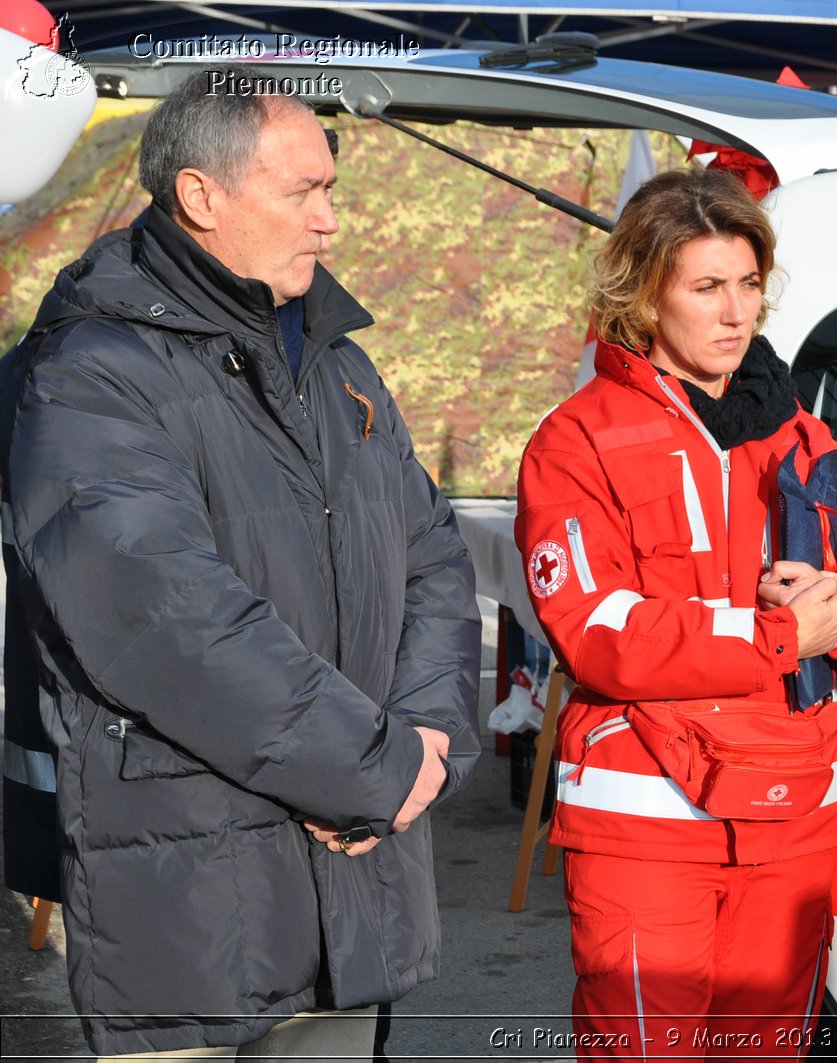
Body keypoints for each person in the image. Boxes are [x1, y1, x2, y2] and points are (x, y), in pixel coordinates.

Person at [4, 68, 481, 1059]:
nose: (331, 220)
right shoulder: (93, 370)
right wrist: (373, 764)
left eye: (331, 190)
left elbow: (431, 555)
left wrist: (426, 733)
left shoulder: (338, 363)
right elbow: (159, 611)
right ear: (200, 197)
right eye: (304, 191)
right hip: (190, 882)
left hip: (355, 862)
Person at [516, 167, 837, 1057]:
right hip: (648, 826)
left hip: (796, 818)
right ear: (643, 296)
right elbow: (601, 633)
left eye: (748, 284)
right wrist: (783, 634)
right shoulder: (576, 441)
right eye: (706, 287)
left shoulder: (803, 434)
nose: (736, 312)